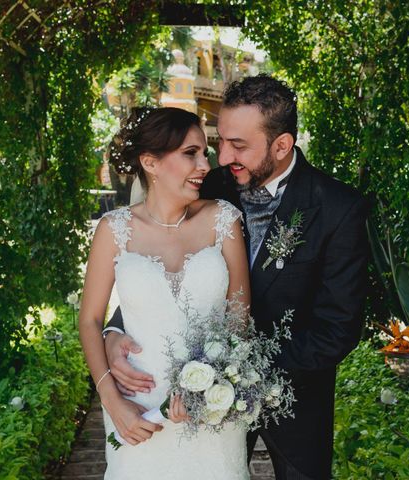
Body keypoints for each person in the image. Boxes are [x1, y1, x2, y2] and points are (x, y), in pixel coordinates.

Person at [104, 75, 370, 479]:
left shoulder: (338, 208)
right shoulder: (205, 184)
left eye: (239, 145)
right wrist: (113, 332)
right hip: (194, 403)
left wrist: (236, 371)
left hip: (294, 401)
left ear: (282, 145)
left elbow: (338, 328)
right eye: (221, 141)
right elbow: (161, 263)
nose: (223, 157)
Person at [78, 107, 251, 480]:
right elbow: (90, 319)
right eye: (190, 153)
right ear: (150, 163)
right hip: (136, 409)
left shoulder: (224, 220)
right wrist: (112, 400)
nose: (204, 165)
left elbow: (239, 319)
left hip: (211, 411)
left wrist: (214, 386)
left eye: (204, 152)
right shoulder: (114, 229)